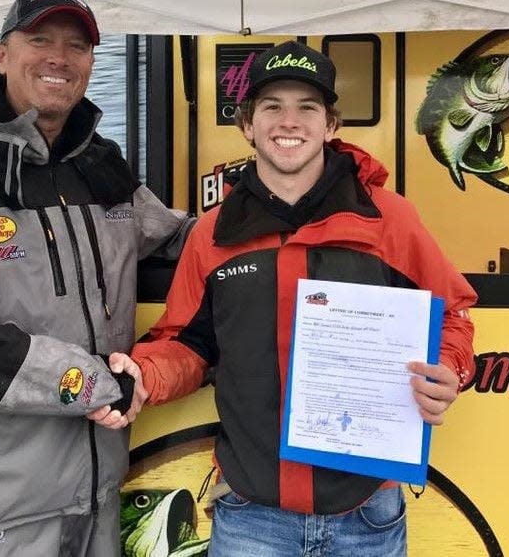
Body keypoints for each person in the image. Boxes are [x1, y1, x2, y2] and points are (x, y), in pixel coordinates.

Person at [127, 40, 477, 556]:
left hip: (368, 517)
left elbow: (452, 318)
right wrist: (143, 377)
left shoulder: (389, 219)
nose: (289, 121)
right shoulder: (214, 234)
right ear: (247, 124)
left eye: (307, 107)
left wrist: (447, 368)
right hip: (252, 519)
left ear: (331, 125)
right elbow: (188, 344)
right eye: (272, 106)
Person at [0, 0, 193, 557]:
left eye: (77, 45)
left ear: (90, 64)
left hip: (98, 499)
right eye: (40, 39)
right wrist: (99, 381)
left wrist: (284, 208)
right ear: (1, 54)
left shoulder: (101, 164)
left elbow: (179, 241)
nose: (59, 57)